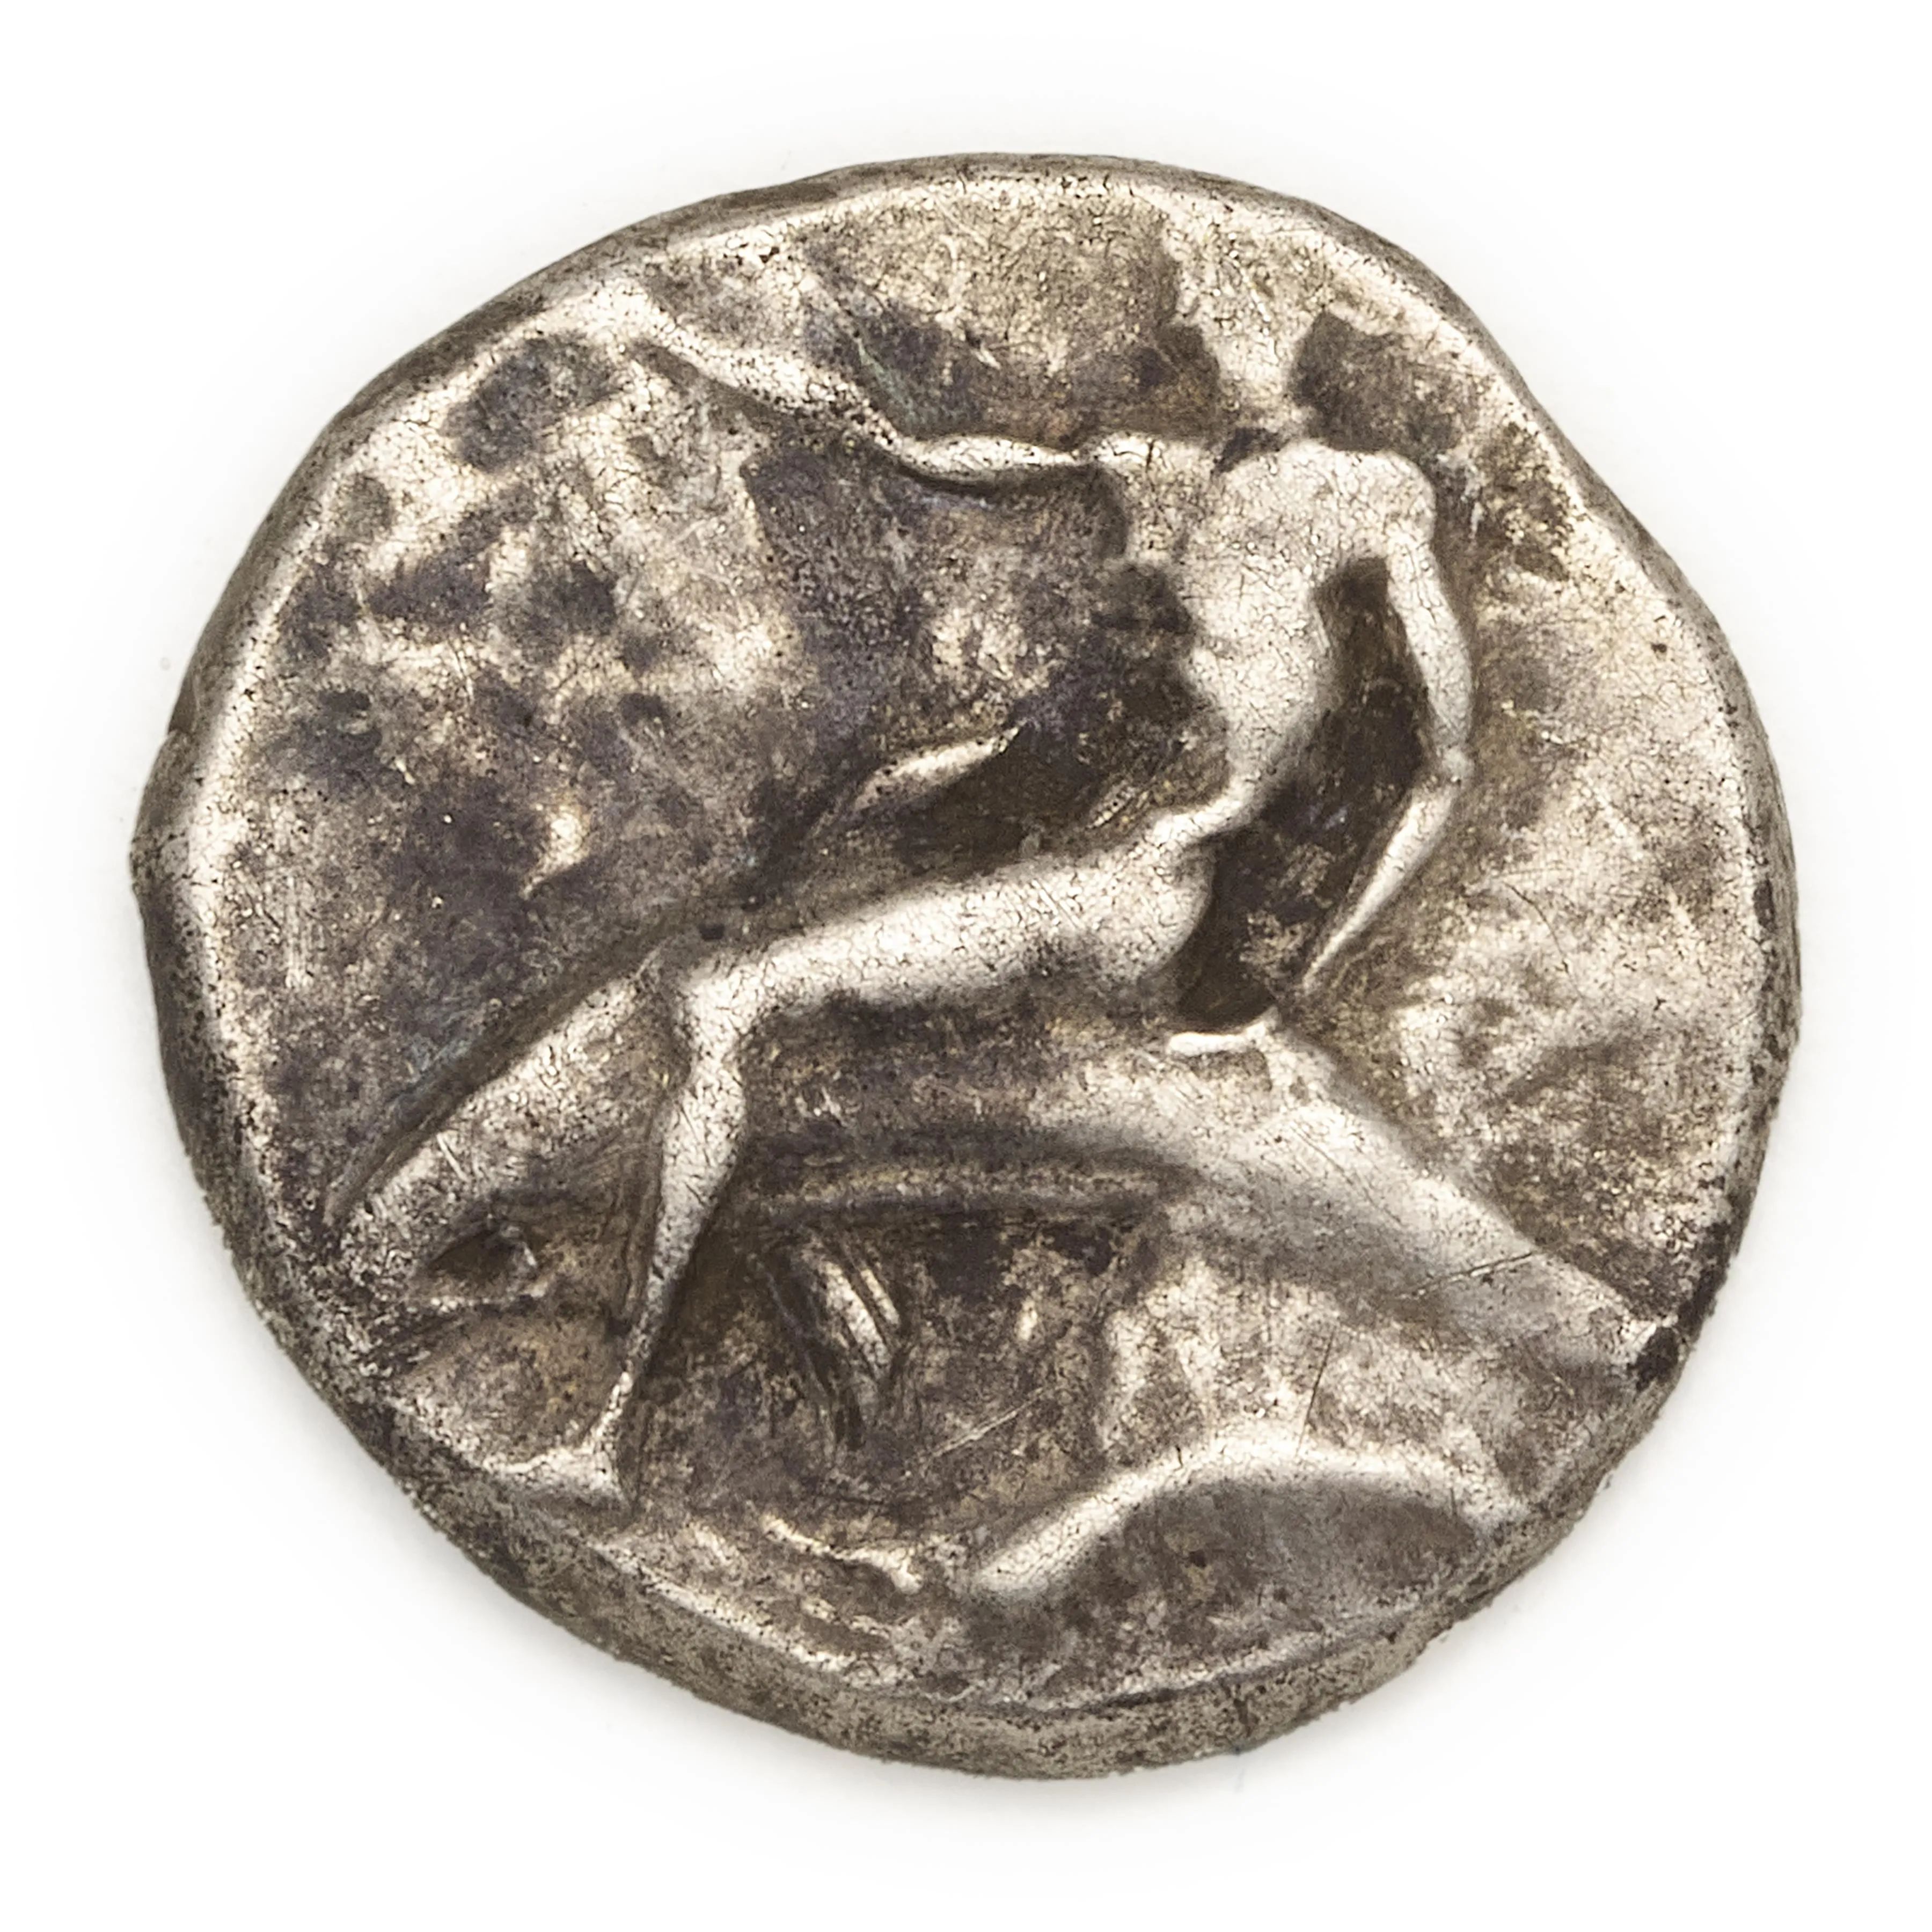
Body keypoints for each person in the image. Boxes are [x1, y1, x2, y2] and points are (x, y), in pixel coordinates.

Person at [493, 267, 1477, 1505]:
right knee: (858, 821)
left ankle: (607, 1427)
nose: (1204, 322)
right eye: (1201, 303)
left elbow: (1442, 765)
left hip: (1120, 892)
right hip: (1063, 854)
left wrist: (1291, 979)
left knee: (720, 1000)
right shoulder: (1155, 473)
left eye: (1233, 302)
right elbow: (901, 443)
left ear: (1299, 333)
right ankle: (785, 1246)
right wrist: (685, 346)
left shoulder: (1367, 497)